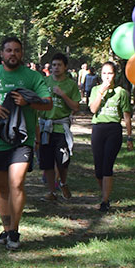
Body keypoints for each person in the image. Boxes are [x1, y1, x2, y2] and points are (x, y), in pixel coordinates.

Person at [0, 37, 52, 251]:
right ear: (2, 54)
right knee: (2, 188)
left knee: (17, 182)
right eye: (8, 50)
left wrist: (28, 102)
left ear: (21, 54)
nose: (12, 54)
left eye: (16, 50)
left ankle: (14, 230)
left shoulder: (32, 77)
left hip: (23, 139)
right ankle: (5, 230)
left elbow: (47, 104)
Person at [89, 62, 132, 213]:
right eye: (104, 73)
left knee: (107, 165)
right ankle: (104, 193)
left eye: (110, 73)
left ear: (115, 75)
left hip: (113, 129)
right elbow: (93, 109)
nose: (107, 76)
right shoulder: (95, 90)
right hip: (98, 128)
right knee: (98, 169)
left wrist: (129, 136)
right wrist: (102, 92)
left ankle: (105, 200)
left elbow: (126, 115)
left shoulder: (121, 92)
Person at [39, 53, 80, 201]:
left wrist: (63, 95)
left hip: (61, 128)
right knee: (47, 162)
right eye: (54, 65)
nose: (56, 68)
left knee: (62, 161)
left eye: (59, 65)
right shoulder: (44, 81)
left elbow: (75, 106)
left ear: (65, 67)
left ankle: (63, 182)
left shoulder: (71, 85)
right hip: (45, 128)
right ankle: (52, 192)